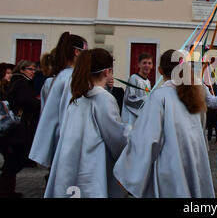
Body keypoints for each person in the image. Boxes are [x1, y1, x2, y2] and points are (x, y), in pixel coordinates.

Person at [114, 49, 215, 198]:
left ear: (160, 70)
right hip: (193, 161)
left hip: (170, 165)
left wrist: (129, 172)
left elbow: (148, 139)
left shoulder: (160, 96)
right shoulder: (193, 97)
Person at [45, 48, 128, 198]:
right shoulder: (103, 98)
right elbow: (116, 139)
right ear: (107, 72)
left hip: (71, 164)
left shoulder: (78, 97)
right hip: (91, 167)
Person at [29, 32, 87, 168]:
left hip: (59, 141)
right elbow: (70, 116)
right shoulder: (70, 79)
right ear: (77, 52)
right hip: (67, 144)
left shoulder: (61, 77)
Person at [0, 60, 40, 197]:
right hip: (16, 128)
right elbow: (26, 101)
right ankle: (5, 189)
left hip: (13, 128)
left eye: (35, 70)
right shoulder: (22, 83)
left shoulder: (17, 82)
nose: (33, 72)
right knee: (16, 159)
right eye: (31, 69)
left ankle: (8, 189)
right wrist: (38, 103)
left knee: (12, 160)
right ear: (22, 69)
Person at [121, 53, 153, 125]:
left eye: (149, 63)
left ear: (152, 65)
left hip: (141, 119)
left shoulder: (148, 82)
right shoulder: (134, 78)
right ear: (139, 64)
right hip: (131, 120)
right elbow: (129, 99)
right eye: (144, 63)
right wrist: (147, 100)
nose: (147, 65)